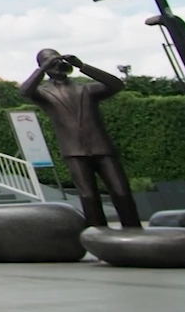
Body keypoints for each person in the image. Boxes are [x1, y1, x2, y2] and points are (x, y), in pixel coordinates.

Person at [20, 48, 141, 229]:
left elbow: (116, 85)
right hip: (74, 150)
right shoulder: (44, 93)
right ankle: (98, 232)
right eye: (49, 61)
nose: (56, 64)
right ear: (42, 66)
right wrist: (43, 68)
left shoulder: (86, 88)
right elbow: (25, 91)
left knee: (121, 191)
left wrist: (82, 66)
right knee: (88, 196)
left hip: (102, 147)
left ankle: (133, 229)